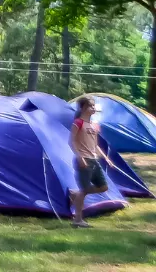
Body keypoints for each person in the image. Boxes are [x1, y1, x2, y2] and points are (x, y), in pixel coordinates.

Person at [70, 96, 111, 227]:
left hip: (94, 160)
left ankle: (75, 195)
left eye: (94, 106)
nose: (93, 108)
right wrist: (79, 157)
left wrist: (106, 158)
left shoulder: (94, 125)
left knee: (103, 187)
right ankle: (77, 220)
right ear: (82, 108)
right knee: (84, 189)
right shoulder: (78, 123)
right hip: (84, 159)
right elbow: (71, 141)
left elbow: (95, 145)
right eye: (90, 106)